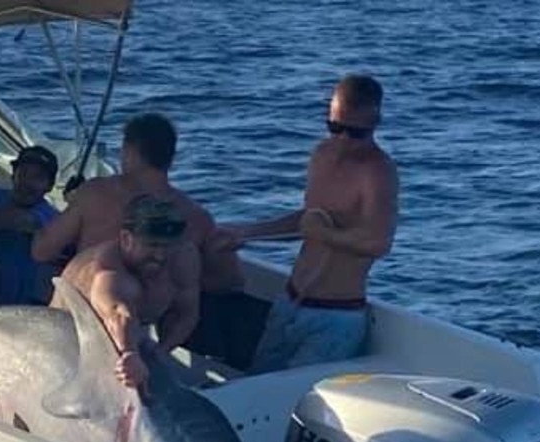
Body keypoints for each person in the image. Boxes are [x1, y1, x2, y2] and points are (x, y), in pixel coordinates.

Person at [216, 74, 398, 372]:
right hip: (290, 303)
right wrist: (246, 233)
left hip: (336, 317)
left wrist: (326, 235)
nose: (342, 140)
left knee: (292, 404)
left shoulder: (378, 173)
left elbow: (378, 242)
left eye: (355, 133)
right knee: (257, 388)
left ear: (375, 123)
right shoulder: (322, 155)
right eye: (335, 128)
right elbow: (307, 220)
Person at [33, 112, 243, 298]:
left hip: (91, 318)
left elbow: (41, 251)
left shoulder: (94, 194)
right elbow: (228, 283)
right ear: (170, 158)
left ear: (129, 151)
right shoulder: (198, 217)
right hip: (157, 324)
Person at [53, 194, 201, 390]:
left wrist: (161, 351)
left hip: (133, 338)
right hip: (64, 340)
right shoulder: (107, 267)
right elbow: (118, 312)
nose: (160, 255)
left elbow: (187, 313)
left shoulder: (184, 259)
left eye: (168, 246)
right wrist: (130, 353)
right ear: (126, 239)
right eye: (152, 245)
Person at [0, 146, 60, 304]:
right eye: (23, 174)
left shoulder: (50, 216)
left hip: (20, 305)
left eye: (37, 177)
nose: (27, 183)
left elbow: (19, 221)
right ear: (13, 175)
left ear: (49, 186)